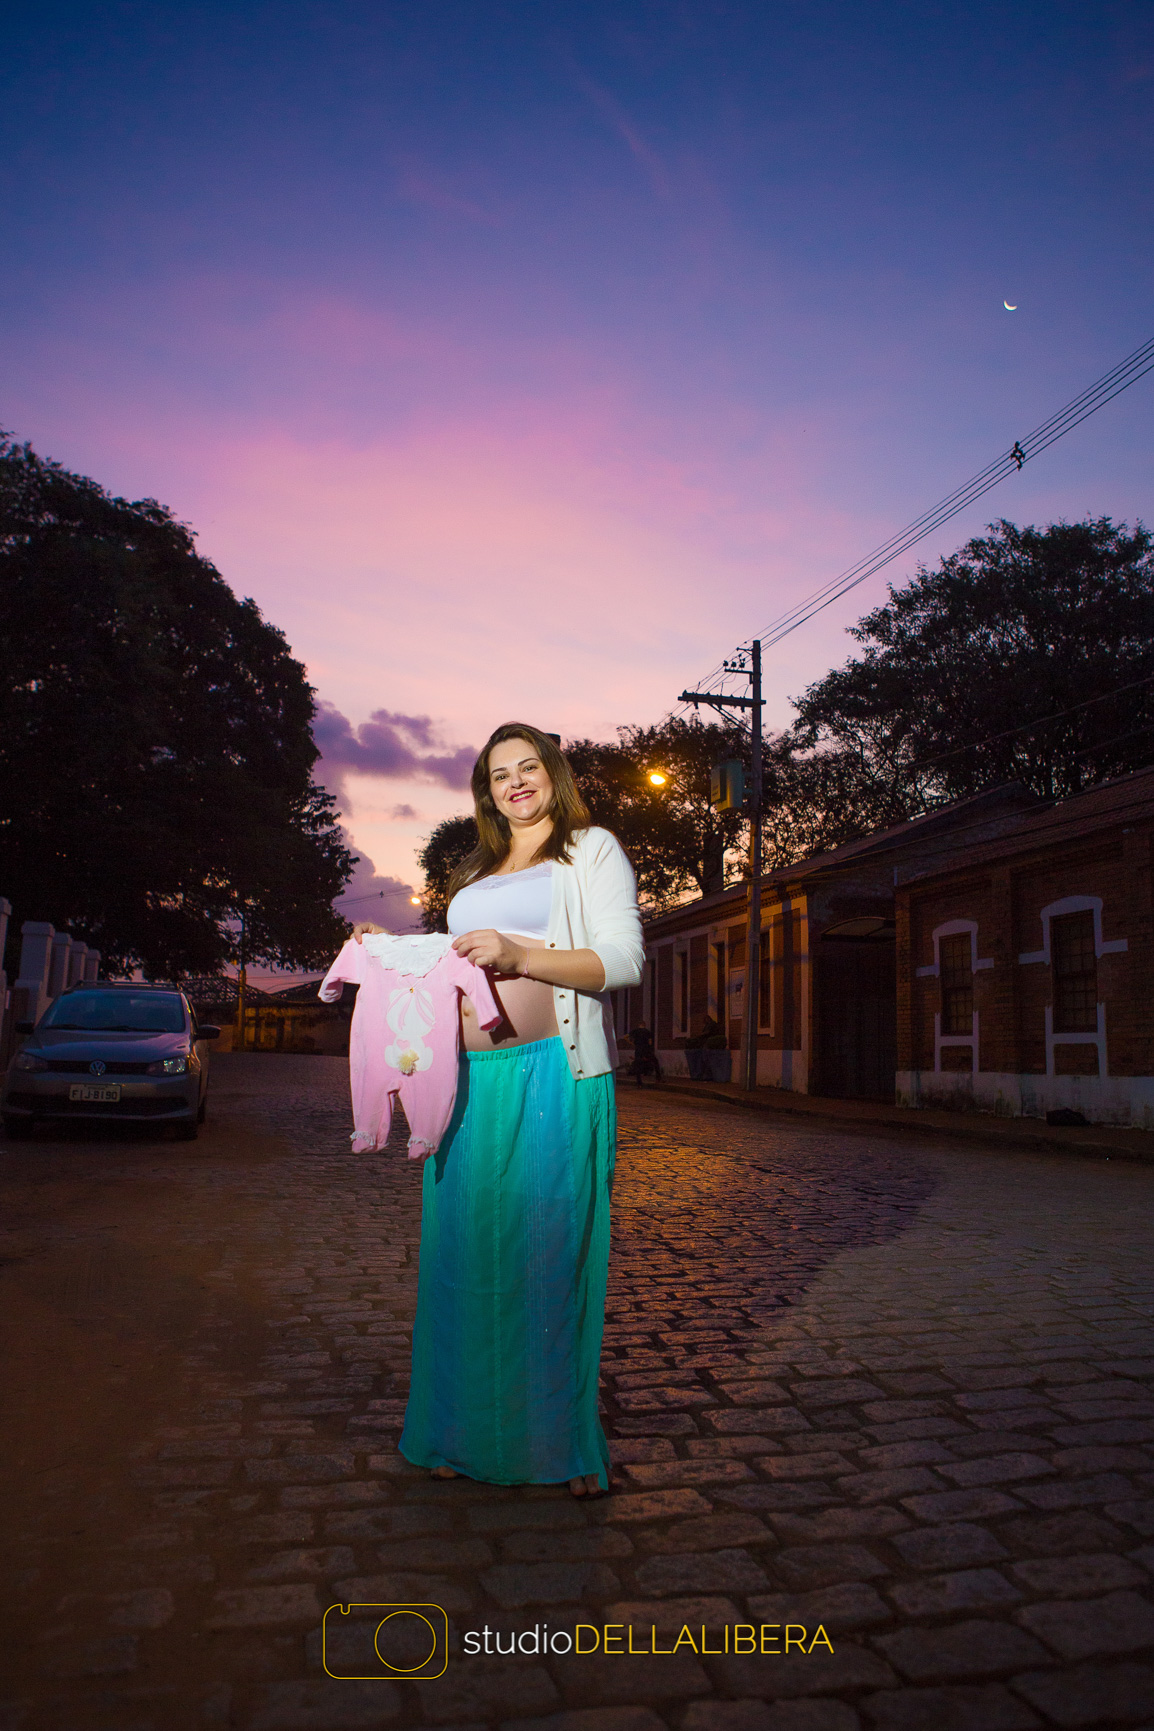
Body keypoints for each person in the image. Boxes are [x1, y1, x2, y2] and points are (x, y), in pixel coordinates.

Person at [355, 723, 643, 1497]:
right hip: (462, 1089)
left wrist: (522, 955)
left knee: (549, 1262)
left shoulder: (591, 851)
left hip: (555, 1076)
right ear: (486, 790)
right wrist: (390, 953)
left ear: (553, 774)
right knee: (462, 1265)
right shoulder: (475, 871)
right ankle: (456, 1433)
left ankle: (561, 1447)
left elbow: (622, 960)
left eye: (529, 767)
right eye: (499, 773)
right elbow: (451, 972)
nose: (516, 782)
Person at [626, 1020, 662, 1086]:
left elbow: (626, 1037)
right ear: (644, 1025)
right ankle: (658, 1078)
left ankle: (639, 1083)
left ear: (639, 1025)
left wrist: (631, 1043)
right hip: (646, 1050)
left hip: (638, 1050)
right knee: (655, 1062)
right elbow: (650, 1043)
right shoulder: (648, 1032)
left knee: (638, 1066)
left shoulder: (635, 1031)